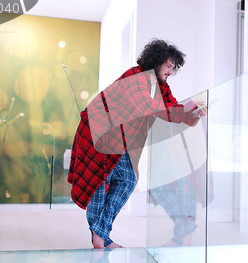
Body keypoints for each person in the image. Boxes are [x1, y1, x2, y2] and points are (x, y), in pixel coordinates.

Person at [67, 39, 206, 249]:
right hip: (99, 135)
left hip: (120, 141)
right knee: (99, 185)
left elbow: (172, 109)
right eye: (169, 66)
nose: (171, 72)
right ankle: (101, 238)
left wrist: (194, 113)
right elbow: (146, 107)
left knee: (128, 179)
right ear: (156, 61)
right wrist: (184, 110)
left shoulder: (161, 86)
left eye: (173, 68)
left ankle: (100, 235)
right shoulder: (135, 77)